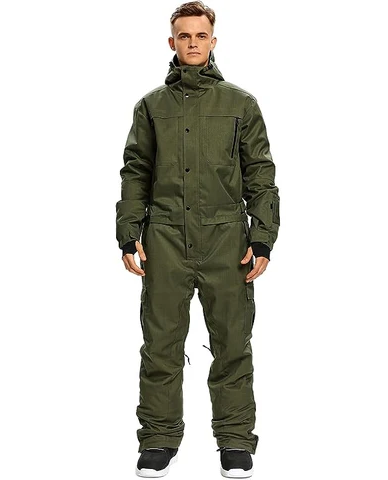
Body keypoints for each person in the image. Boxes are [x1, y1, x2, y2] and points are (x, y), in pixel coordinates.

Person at [115, 1, 280, 477]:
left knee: (232, 344)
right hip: (164, 238)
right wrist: (129, 233)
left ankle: (235, 440)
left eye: (200, 35)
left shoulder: (241, 104)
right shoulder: (151, 107)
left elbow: (261, 175)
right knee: (160, 344)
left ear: (213, 41)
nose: (192, 42)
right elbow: (135, 172)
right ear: (172, 42)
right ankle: (159, 437)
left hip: (226, 240)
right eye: (183, 35)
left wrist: (262, 238)